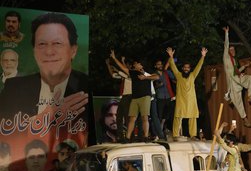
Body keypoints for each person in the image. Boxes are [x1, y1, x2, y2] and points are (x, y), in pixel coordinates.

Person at [0, 12, 93, 144]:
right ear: (34, 51)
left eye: (57, 43)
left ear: (73, 50)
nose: (49, 52)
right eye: (42, 44)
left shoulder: (85, 87)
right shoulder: (13, 88)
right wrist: (44, 119)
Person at [110, 50, 159, 142]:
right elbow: (122, 68)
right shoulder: (132, 73)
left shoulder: (146, 73)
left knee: (145, 117)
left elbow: (157, 77)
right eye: (135, 64)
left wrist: (146, 77)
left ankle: (145, 137)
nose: (134, 65)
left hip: (145, 97)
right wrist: (114, 58)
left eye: (136, 64)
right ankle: (128, 138)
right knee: (132, 118)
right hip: (135, 98)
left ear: (141, 65)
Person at [166, 47, 208, 140]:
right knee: (177, 117)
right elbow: (172, 66)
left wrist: (203, 56)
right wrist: (171, 56)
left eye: (187, 68)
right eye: (184, 67)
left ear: (189, 69)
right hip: (181, 100)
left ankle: (193, 135)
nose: (186, 69)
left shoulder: (193, 75)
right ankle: (175, 135)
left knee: (192, 117)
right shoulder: (178, 75)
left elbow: (198, 67)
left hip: (191, 101)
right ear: (182, 68)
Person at [222, 26, 251, 128]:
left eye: (234, 50)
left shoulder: (234, 61)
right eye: (231, 50)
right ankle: (245, 120)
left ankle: (250, 97)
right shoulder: (226, 58)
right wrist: (227, 33)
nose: (233, 51)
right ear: (228, 51)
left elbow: (236, 71)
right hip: (233, 83)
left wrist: (244, 66)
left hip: (238, 78)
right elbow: (226, 45)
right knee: (238, 103)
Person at [106, 56, 132, 141]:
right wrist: (108, 65)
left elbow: (122, 71)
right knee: (119, 117)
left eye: (127, 65)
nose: (125, 67)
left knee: (126, 117)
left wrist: (119, 65)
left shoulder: (131, 74)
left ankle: (129, 136)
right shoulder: (124, 75)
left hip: (128, 97)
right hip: (123, 98)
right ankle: (121, 136)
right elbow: (113, 75)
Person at [153, 59, 176, 136]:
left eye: (161, 64)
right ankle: (157, 134)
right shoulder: (154, 74)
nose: (160, 65)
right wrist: (158, 85)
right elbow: (153, 86)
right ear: (155, 66)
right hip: (160, 97)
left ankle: (163, 129)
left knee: (167, 115)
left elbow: (174, 79)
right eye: (158, 64)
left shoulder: (166, 72)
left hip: (169, 96)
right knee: (159, 116)